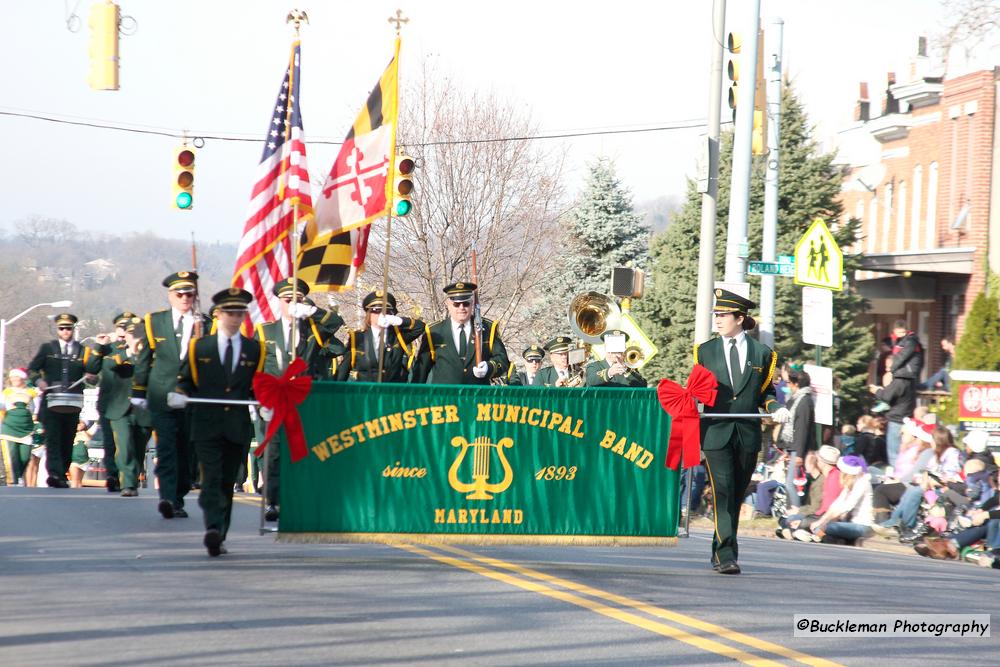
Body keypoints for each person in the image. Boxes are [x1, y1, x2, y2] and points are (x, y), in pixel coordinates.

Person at [695, 289, 788, 574]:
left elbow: (765, 393)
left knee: (734, 494)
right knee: (722, 490)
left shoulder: (762, 353)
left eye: (722, 315)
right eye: (716, 315)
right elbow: (699, 388)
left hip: (747, 433)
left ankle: (719, 549)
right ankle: (727, 555)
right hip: (715, 431)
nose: (718, 320)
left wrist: (775, 407)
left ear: (739, 318)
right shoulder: (705, 351)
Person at [172, 288, 263, 557]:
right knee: (211, 478)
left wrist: (266, 403)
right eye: (230, 313)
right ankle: (212, 528)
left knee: (225, 482)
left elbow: (254, 387)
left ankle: (220, 534)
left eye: (240, 313)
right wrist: (178, 395)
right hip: (206, 424)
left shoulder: (253, 348)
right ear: (220, 314)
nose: (235, 318)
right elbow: (186, 380)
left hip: (236, 425)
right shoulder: (200, 347)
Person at [255, 278, 346, 521]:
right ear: (280, 302)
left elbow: (337, 323)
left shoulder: (313, 331)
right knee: (274, 453)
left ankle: (302, 498)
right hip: (275, 401)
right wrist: (258, 401)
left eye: (298, 299)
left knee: (305, 451)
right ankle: (272, 502)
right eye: (288, 300)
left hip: (305, 400)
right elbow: (257, 367)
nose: (292, 304)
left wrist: (312, 311)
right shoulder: (265, 331)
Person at [132, 271, 212, 519]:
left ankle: (179, 493)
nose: (184, 298)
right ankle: (168, 498)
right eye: (179, 294)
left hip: (192, 397)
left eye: (189, 293)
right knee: (166, 448)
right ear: (170, 296)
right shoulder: (154, 321)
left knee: (186, 450)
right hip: (162, 394)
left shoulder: (206, 324)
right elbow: (145, 359)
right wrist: (139, 390)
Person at [28, 313, 106, 488]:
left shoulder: (83, 350)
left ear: (73, 329)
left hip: (73, 404)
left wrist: (92, 376)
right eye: (62, 328)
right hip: (51, 402)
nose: (65, 331)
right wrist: (38, 381)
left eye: (68, 328)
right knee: (53, 438)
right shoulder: (47, 349)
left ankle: (61, 472)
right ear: (58, 330)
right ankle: (55, 474)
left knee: (67, 438)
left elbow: (93, 373)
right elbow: (32, 370)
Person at [413, 281, 509, 384]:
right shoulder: (434, 331)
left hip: (477, 397)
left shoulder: (488, 328)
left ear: (472, 303)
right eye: (456, 304)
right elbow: (421, 370)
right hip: (444, 398)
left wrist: (489, 367)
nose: (461, 308)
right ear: (448, 305)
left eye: (466, 303)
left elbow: (503, 360)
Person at [99, 314, 152, 497]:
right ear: (126, 335)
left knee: (138, 447)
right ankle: (127, 483)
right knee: (124, 443)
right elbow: (107, 366)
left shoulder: (153, 355)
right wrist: (130, 352)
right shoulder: (117, 353)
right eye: (132, 333)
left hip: (144, 409)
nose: (136, 336)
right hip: (119, 408)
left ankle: (132, 478)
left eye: (140, 333)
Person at [336, 289, 423, 383]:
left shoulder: (398, 336)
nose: (380, 314)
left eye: (385, 311)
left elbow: (420, 327)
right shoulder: (357, 338)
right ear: (369, 314)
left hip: (392, 393)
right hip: (366, 393)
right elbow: (344, 370)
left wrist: (398, 320)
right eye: (376, 311)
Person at [810, 455, 875, 545]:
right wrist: (821, 520)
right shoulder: (850, 484)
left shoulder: (862, 483)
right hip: (849, 523)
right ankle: (823, 538)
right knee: (816, 526)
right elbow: (836, 505)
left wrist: (823, 523)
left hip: (862, 526)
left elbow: (846, 507)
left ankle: (822, 538)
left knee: (828, 527)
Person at [775, 369, 815, 509]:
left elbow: (802, 428)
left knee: (792, 484)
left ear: (796, 383)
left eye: (789, 383)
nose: (788, 386)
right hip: (792, 448)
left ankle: (795, 511)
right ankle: (791, 510)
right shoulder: (796, 399)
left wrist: (798, 454)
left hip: (798, 450)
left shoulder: (804, 401)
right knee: (790, 482)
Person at [869, 371, 915, 468]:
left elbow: (886, 397)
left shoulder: (899, 382)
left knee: (894, 455)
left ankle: (897, 476)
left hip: (896, 420)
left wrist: (877, 391)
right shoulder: (909, 382)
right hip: (903, 418)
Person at [1, 368, 38, 486]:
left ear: (23, 378)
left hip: (26, 430)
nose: (14, 379)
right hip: (9, 429)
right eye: (12, 377)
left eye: (16, 377)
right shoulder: (6, 392)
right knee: (12, 459)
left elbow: (35, 410)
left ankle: (18, 476)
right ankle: (13, 482)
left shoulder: (32, 392)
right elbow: (2, 409)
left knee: (25, 458)